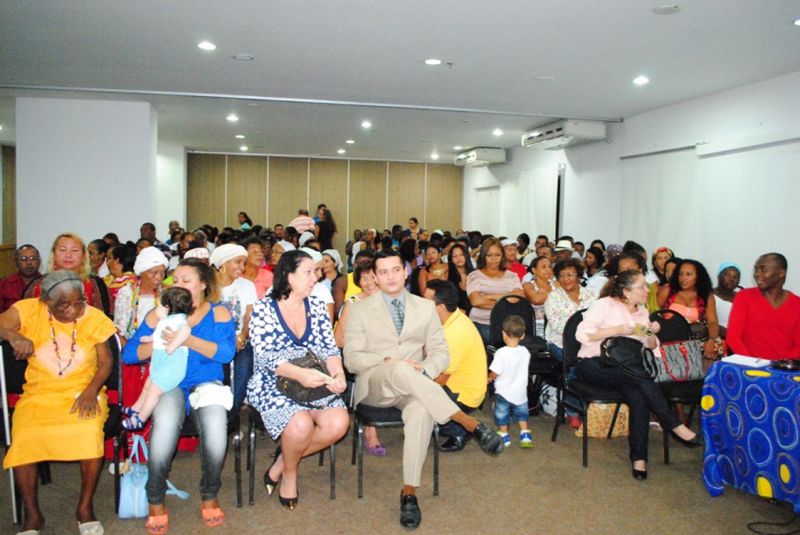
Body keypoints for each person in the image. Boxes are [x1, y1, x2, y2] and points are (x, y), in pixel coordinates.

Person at [344, 250, 502, 530]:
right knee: (401, 369)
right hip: (375, 384)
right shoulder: (357, 308)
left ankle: (408, 494)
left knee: (420, 410)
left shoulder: (425, 307)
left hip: (414, 384)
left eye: (395, 270)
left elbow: (441, 352)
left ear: (405, 273)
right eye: (383, 272)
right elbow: (351, 359)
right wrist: (388, 361)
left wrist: (424, 370)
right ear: (376, 278)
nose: (390, 276)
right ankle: (468, 422)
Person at [122, 258, 236, 532]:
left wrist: (186, 340)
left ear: (203, 284)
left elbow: (226, 353)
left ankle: (209, 494)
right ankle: (155, 496)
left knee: (216, 430)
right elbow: (129, 355)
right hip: (169, 383)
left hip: (206, 382)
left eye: (186, 280)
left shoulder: (219, 312)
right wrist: (159, 344)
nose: (179, 284)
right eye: (176, 280)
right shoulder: (158, 314)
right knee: (163, 428)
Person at [1, 271, 116, 534]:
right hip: (39, 394)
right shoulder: (29, 310)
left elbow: (106, 362)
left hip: (84, 390)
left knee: (88, 431)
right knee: (24, 436)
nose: (73, 310)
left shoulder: (93, 316)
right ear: (46, 302)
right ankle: (33, 516)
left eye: (79, 302)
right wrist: (13, 335)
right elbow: (1, 323)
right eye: (64, 305)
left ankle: (85, 509)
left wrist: (91, 391)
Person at [575, 270, 703, 480]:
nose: (647, 290)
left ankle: (639, 459)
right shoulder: (605, 304)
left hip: (627, 370)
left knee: (638, 394)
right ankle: (673, 423)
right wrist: (617, 329)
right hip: (594, 363)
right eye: (641, 287)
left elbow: (652, 347)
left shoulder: (642, 313)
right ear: (626, 291)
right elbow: (581, 334)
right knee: (640, 381)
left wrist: (651, 332)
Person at [247, 250, 349, 510]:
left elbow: (329, 349)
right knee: (300, 425)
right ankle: (290, 476)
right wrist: (300, 375)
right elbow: (266, 357)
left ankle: (282, 463)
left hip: (314, 373)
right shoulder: (263, 308)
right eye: (308, 272)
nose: (315, 277)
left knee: (339, 422)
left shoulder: (316, 306)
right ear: (288, 276)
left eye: (315, 271)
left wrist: (337, 375)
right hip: (274, 380)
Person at [424, 280, 487, 452]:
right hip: (457, 384)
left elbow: (440, 380)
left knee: (416, 408)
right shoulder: (453, 317)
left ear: (441, 307)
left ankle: (460, 430)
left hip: (462, 392)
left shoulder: (454, 334)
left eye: (426, 302)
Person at [122, 287, 194, 430]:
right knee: (148, 384)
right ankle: (136, 407)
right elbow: (159, 333)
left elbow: (186, 331)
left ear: (168, 308)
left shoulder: (180, 322)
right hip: (160, 364)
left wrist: (173, 345)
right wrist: (150, 338)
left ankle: (141, 418)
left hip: (171, 368)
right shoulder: (166, 321)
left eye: (159, 305)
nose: (156, 309)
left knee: (154, 390)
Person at [334, 261, 386, 455]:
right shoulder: (353, 303)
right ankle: (370, 430)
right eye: (365, 278)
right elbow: (339, 339)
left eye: (373, 276)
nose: (370, 282)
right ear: (358, 281)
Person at [544, 258, 596, 428]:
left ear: (579, 276)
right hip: (559, 342)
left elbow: (598, 321)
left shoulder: (591, 295)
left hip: (588, 342)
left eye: (570, 275)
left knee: (597, 362)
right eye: (562, 276)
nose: (566, 279)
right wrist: (583, 329)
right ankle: (573, 410)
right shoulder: (553, 297)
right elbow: (558, 325)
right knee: (574, 362)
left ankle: (592, 405)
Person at [210, 243, 258, 415]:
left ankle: (230, 414)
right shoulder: (207, 287)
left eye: (243, 262)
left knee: (244, 368)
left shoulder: (247, 286)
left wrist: (242, 338)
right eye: (237, 262)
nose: (242, 268)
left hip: (240, 341)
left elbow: (249, 317)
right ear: (223, 263)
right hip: (212, 342)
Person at [727, 253, 800, 359]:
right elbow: (733, 338)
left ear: (781, 273)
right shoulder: (744, 296)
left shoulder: (797, 304)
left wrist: (780, 365)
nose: (757, 274)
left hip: (783, 371)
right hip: (749, 369)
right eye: (756, 270)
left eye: (764, 270)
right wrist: (754, 363)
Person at [24, 233, 108, 314]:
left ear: (83, 256)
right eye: (62, 250)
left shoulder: (94, 283)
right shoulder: (38, 284)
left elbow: (103, 319)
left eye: (74, 250)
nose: (68, 255)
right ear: (53, 255)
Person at [657, 258, 722, 360]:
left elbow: (712, 322)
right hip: (668, 342)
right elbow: (654, 315)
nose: (683, 278)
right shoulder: (667, 291)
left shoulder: (706, 296)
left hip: (697, 343)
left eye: (688, 274)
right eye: (680, 274)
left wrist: (712, 340)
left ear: (698, 277)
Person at [466, 237, 524, 348]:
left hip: (508, 324)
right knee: (494, 339)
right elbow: (476, 301)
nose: (494, 259)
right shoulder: (474, 276)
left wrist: (490, 296)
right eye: (489, 255)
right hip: (482, 323)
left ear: (502, 256)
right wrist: (506, 300)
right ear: (483, 256)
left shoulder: (511, 276)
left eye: (497, 255)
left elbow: (518, 298)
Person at [489, 315, 532, 448]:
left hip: (504, 392)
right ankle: (525, 435)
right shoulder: (525, 352)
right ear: (523, 335)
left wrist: (490, 377)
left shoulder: (501, 353)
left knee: (502, 413)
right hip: (520, 392)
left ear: (504, 334)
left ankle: (504, 435)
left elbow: (496, 371)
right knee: (522, 414)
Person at [0, 244, 42, 313]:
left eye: (33, 258)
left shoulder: (46, 283)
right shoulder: (4, 284)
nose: (29, 262)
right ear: (16, 262)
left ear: (39, 262)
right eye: (24, 259)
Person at [522, 256, 556, 339]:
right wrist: (556, 294)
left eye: (549, 267)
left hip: (555, 323)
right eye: (543, 267)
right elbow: (536, 300)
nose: (548, 269)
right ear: (534, 270)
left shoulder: (557, 284)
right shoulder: (528, 285)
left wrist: (543, 294)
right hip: (537, 325)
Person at [104, 243, 137, 312]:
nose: (107, 263)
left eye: (109, 258)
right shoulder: (108, 279)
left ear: (117, 260)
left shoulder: (130, 283)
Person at [712, 262, 741, 338]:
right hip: (716, 340)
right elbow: (707, 322)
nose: (731, 279)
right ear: (719, 276)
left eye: (735, 277)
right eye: (728, 275)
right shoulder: (710, 295)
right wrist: (730, 335)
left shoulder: (741, 298)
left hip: (737, 340)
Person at [445, 242, 473, 313]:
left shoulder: (474, 274)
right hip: (456, 314)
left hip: (474, 314)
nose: (458, 258)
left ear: (466, 256)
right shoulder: (447, 275)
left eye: (461, 255)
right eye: (455, 256)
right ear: (451, 259)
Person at [322, 249, 347, 321]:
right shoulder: (318, 280)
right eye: (322, 261)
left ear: (335, 263)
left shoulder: (343, 280)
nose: (323, 264)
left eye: (326, 261)